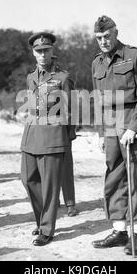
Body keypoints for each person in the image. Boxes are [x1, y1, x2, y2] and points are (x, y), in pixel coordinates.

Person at [90, 16, 137, 256]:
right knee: (114, 175)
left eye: (107, 36)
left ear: (116, 33)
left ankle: (136, 233)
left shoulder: (134, 56)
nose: (103, 41)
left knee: (135, 177)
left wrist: (133, 127)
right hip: (109, 124)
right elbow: (97, 100)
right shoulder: (97, 62)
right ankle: (119, 230)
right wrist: (99, 132)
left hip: (131, 122)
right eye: (99, 38)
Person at [20, 32, 73, 246]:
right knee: (28, 179)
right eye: (38, 51)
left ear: (52, 51)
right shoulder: (30, 77)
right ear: (33, 53)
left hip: (53, 136)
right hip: (31, 135)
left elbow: (71, 111)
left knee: (50, 186)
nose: (42, 54)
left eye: (46, 50)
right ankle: (41, 220)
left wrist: (67, 137)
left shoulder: (63, 78)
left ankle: (47, 229)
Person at [59, 77, 78, 217]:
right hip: (43, 130)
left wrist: (71, 129)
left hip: (62, 129)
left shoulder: (64, 78)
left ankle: (70, 202)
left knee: (65, 167)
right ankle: (52, 201)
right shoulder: (36, 77)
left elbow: (72, 106)